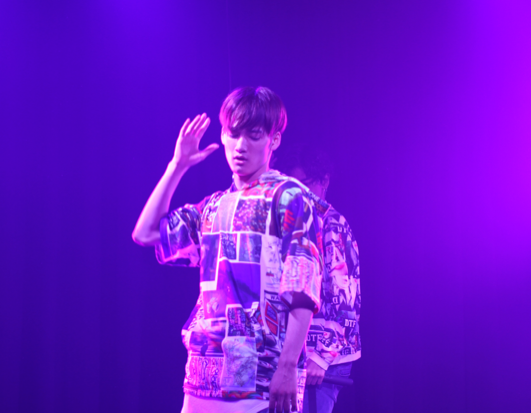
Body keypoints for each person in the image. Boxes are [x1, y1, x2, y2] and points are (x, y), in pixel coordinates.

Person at [132, 87, 324, 413]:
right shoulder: (213, 206)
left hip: (262, 375)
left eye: (254, 135)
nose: (241, 145)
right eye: (233, 134)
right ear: (222, 136)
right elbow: (146, 233)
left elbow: (303, 290)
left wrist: (288, 366)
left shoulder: (290, 197)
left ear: (274, 140)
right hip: (204, 372)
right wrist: (177, 165)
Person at [275, 145, 361, 413]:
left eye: (306, 183)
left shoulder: (331, 224)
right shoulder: (294, 223)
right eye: (294, 184)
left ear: (325, 181)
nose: (300, 192)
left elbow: (346, 301)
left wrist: (322, 357)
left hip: (325, 358)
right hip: (301, 354)